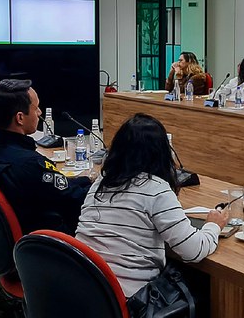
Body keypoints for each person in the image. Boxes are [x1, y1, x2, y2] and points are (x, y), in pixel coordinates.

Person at [76, 113, 224, 297]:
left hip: (84, 294)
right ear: (162, 153)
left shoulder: (100, 183)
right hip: (128, 304)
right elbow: (193, 251)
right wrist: (213, 226)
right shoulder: (156, 189)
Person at [0, 79, 91, 235]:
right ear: (20, 118)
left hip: (12, 241)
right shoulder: (32, 165)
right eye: (36, 108)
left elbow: (55, 187)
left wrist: (86, 179)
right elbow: (74, 199)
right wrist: (101, 185)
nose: (40, 112)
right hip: (51, 242)